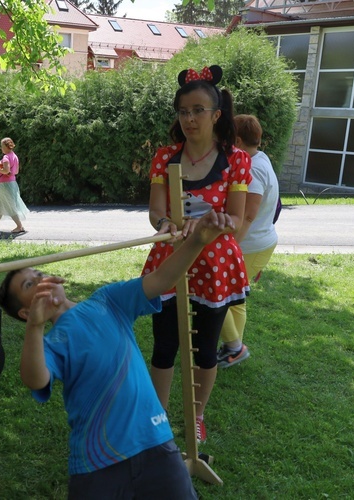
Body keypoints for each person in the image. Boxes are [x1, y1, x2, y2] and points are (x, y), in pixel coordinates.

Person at [0, 209, 234, 499]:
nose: (42, 280)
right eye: (29, 285)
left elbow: (161, 278)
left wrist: (197, 240)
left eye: (39, 273)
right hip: (96, 462)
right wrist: (34, 326)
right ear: (25, 310)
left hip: (154, 442)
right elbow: (35, 380)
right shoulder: (49, 343)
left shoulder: (107, 300)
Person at [141, 65, 252, 444]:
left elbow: (236, 219)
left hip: (215, 262)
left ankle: (197, 415)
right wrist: (166, 225)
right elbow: (156, 211)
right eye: (184, 111)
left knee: (206, 348)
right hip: (171, 257)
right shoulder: (165, 157)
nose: (190, 119)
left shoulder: (236, 160)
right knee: (165, 343)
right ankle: (158, 417)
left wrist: (215, 223)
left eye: (198, 111)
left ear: (217, 114)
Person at [217, 115, 279, 368]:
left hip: (249, 244)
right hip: (259, 244)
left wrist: (230, 247)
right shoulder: (261, 159)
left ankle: (235, 347)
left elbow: (249, 214)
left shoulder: (252, 168)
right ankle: (233, 348)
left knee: (214, 296)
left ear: (239, 141)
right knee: (235, 299)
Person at [0, 137, 29, 233]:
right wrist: (2, 169)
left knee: (10, 205)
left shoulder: (6, 157)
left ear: (7, 147)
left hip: (4, 185)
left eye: (2, 146)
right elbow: (15, 171)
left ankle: (19, 226)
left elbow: (6, 170)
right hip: (12, 183)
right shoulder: (14, 156)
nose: (1, 148)